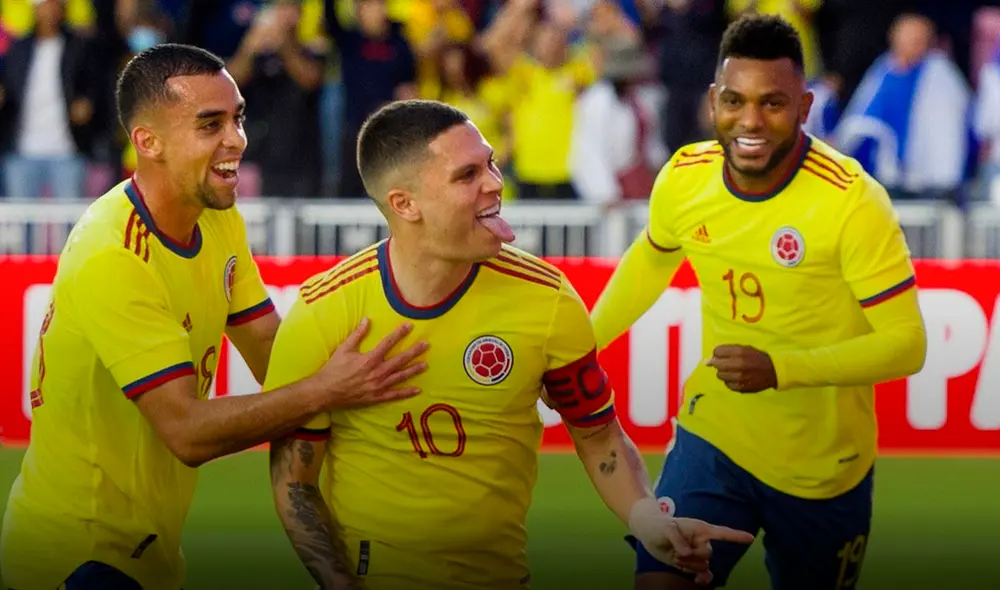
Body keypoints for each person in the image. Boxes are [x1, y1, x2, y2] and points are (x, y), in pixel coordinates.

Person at [264, 99, 755, 590]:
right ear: (404, 204)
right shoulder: (324, 311)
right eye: (467, 174)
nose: (496, 182)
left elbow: (599, 437)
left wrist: (648, 521)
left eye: (492, 163)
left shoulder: (548, 299)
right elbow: (295, 481)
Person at [0, 44, 427, 590]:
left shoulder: (216, 220)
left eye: (238, 117)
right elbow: (187, 432)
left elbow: (275, 355)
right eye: (210, 124)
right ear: (146, 142)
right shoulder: (113, 253)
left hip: (142, 551)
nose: (237, 140)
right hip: (76, 555)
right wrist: (327, 389)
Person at [590, 14, 928, 590]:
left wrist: (780, 369)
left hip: (825, 466)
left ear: (804, 106)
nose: (750, 121)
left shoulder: (852, 201)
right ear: (713, 100)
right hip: (714, 437)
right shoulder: (684, 176)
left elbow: (908, 345)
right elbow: (652, 259)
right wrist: (580, 345)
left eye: (772, 104)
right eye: (734, 100)